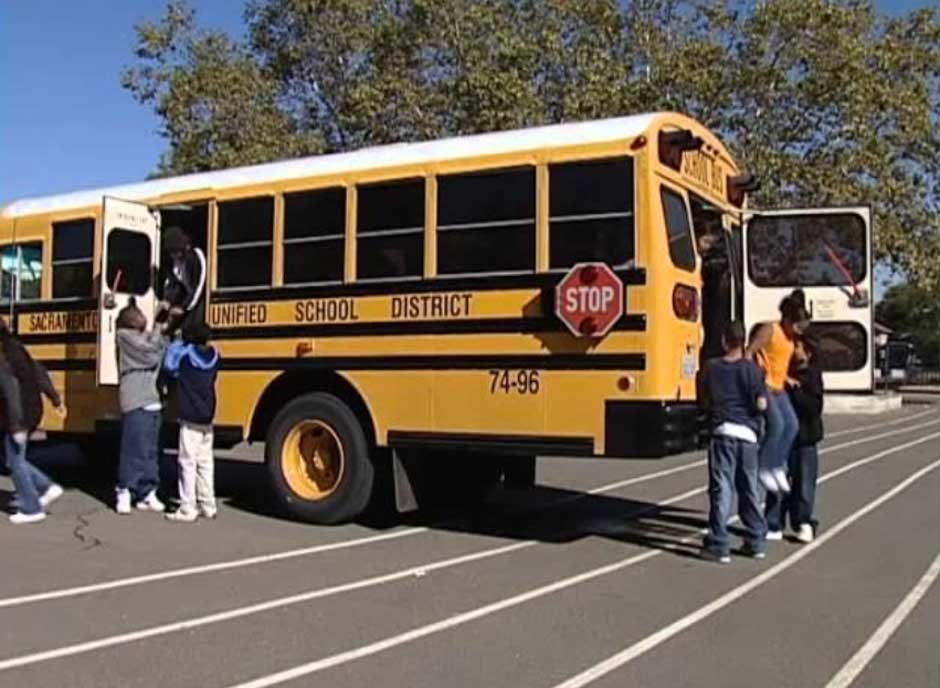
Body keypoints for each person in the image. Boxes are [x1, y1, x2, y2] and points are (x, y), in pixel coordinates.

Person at [700, 321, 768, 563]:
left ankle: (719, 543)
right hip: (748, 435)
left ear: (723, 340)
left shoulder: (712, 367)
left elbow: (705, 400)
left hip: (722, 431)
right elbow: (761, 404)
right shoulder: (752, 370)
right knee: (749, 488)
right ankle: (756, 539)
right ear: (743, 341)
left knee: (722, 488)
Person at [0, 321, 67, 524]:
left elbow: (11, 393)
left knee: (14, 461)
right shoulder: (17, 348)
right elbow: (39, 372)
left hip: (19, 415)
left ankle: (31, 507)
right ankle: (46, 487)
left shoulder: (3, 358)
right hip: (32, 410)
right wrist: (55, 399)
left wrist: (16, 425)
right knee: (15, 458)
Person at [746, 289, 810, 495]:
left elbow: (780, 363)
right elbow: (750, 352)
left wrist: (789, 378)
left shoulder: (792, 339)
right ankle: (764, 467)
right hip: (765, 385)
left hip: (780, 385)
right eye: (797, 325)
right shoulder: (770, 330)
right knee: (777, 424)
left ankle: (776, 465)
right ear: (787, 319)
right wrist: (754, 377)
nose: (799, 330)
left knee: (792, 425)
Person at [766, 336, 824, 543]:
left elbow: (814, 408)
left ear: (807, 352)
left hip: (805, 438)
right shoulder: (782, 372)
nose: (793, 349)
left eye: (798, 346)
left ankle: (804, 523)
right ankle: (774, 523)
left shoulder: (812, 376)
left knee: (804, 483)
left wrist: (795, 389)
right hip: (782, 438)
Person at [162, 320, 220, 522]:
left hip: (190, 416)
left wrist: (178, 341)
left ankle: (188, 506)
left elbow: (169, 365)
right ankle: (208, 504)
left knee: (187, 461)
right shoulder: (214, 356)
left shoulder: (186, 356)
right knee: (205, 461)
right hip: (207, 415)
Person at [115, 299, 168, 514]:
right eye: (138, 314)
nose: (142, 317)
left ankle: (148, 491)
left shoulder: (144, 336)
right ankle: (124, 490)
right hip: (135, 398)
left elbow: (157, 351)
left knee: (150, 450)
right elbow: (150, 354)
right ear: (129, 319)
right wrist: (157, 329)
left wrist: (159, 329)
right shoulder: (124, 337)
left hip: (152, 398)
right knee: (133, 448)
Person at [159, 226, 207, 333]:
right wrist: (168, 300)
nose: (173, 255)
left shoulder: (196, 256)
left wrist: (184, 307)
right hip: (184, 300)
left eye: (175, 251)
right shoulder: (174, 262)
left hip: (198, 303)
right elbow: (172, 283)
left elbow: (199, 286)